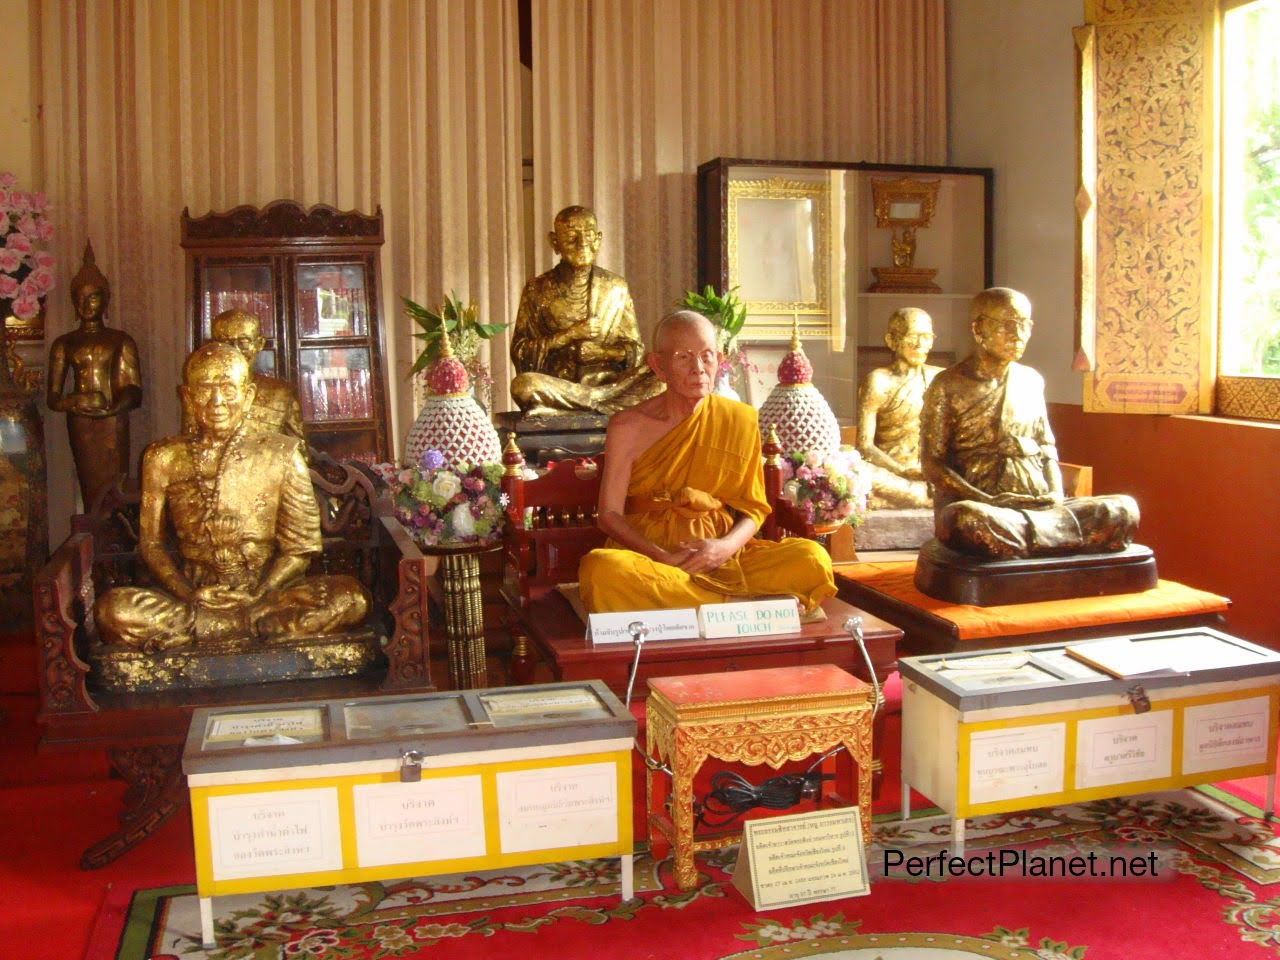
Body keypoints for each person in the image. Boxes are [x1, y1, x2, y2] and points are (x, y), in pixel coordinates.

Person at [94, 342, 368, 651]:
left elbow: (300, 549)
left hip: (265, 592)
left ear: (248, 395)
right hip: (194, 596)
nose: (217, 402)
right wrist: (188, 594)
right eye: (205, 390)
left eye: (228, 388)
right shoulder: (163, 457)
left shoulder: (281, 453)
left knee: (350, 598)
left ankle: (214, 628)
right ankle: (250, 627)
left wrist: (261, 593)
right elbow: (152, 545)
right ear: (186, 397)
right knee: (111, 610)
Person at [579, 310, 835, 616]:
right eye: (684, 357)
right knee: (602, 572)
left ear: (720, 360)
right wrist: (662, 557)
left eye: (707, 356)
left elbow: (754, 510)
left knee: (812, 558)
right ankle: (740, 610)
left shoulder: (738, 419)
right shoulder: (627, 426)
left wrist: (722, 549)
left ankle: (698, 607)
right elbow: (608, 515)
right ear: (658, 366)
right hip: (652, 558)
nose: (698, 369)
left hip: (724, 555)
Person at [919, 287, 1139, 559]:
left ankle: (1035, 542)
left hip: (1037, 504)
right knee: (966, 522)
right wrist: (986, 499)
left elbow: (1046, 447)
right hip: (985, 506)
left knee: (1122, 510)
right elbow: (932, 463)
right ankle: (1057, 542)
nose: (1019, 335)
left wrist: (1055, 494)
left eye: (1025, 325)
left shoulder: (1031, 380)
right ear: (978, 329)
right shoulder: (947, 385)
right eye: (1008, 326)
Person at [509, 205, 662, 415]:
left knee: (659, 382)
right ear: (554, 242)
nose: (582, 244)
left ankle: (572, 408)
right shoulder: (537, 289)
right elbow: (521, 351)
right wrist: (568, 336)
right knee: (524, 385)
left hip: (607, 384)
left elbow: (635, 350)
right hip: (560, 385)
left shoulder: (615, 287)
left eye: (589, 235)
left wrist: (603, 353)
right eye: (572, 236)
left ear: (598, 240)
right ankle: (597, 407)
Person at [46, 242, 142, 508]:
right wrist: (77, 401)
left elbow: (134, 389)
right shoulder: (64, 343)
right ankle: (91, 531)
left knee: (115, 484)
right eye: (81, 298)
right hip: (81, 420)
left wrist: (112, 406)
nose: (86, 303)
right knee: (89, 484)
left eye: (93, 297)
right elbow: (52, 399)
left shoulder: (120, 340)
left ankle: (116, 531)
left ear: (106, 299)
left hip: (113, 418)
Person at [182, 307, 306, 448]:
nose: (236, 350)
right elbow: (190, 446)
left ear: (259, 344)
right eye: (227, 343)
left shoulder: (282, 394)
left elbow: (299, 453)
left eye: (243, 342)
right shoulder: (202, 393)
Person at [857, 307, 943, 509]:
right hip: (891, 474)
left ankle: (923, 497)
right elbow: (865, 446)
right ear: (891, 340)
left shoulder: (940, 379)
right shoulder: (878, 381)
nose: (921, 344)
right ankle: (925, 498)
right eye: (912, 336)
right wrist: (902, 471)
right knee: (860, 473)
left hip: (932, 475)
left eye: (927, 337)